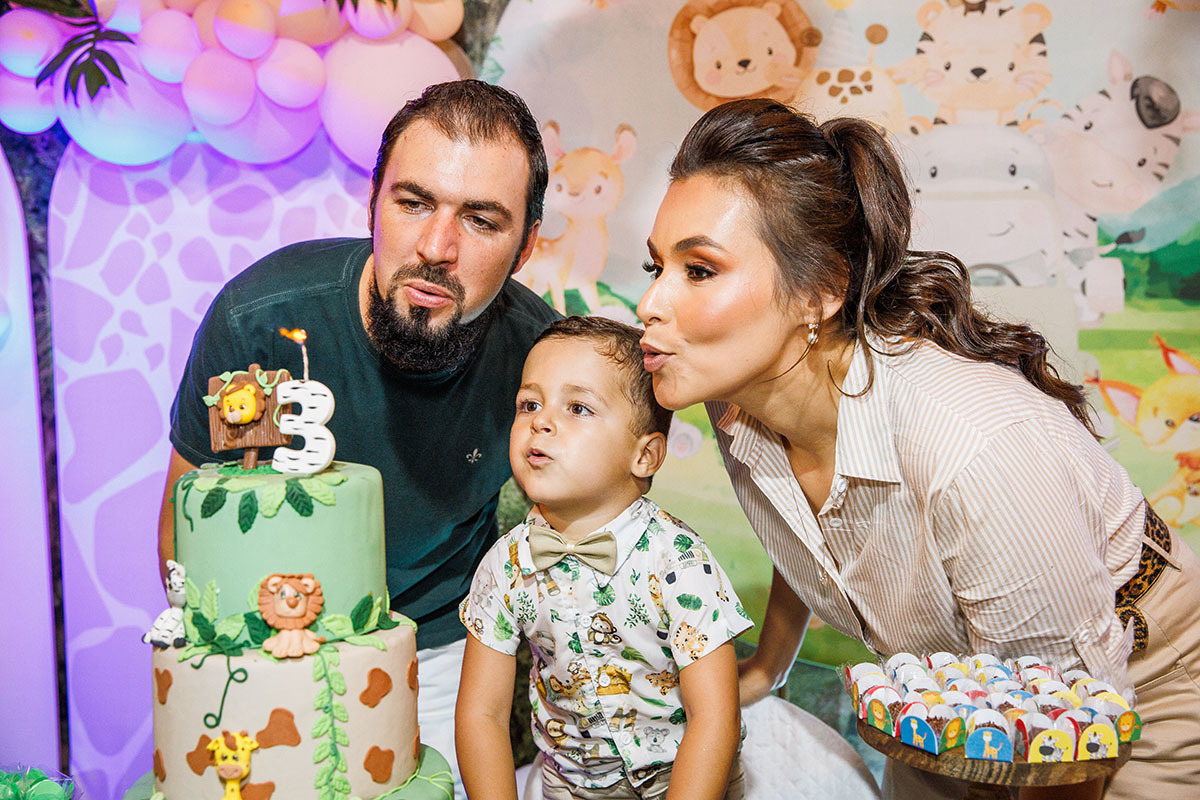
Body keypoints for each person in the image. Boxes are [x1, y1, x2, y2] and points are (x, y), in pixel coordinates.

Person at [636, 98, 1200, 800]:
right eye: (655, 266)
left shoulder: (978, 448)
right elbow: (807, 532)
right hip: (945, 685)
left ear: (820, 291)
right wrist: (769, 666)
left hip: (1126, 698)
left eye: (698, 270)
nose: (650, 304)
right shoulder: (734, 397)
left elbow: (1065, 734)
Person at [158, 80, 561, 794]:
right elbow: (184, 529)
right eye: (413, 203)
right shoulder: (259, 320)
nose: (436, 247)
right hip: (268, 646)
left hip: (441, 652)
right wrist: (245, 658)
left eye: (481, 220)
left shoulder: (541, 360)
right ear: (372, 201)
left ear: (526, 246)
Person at [456, 316, 750, 800]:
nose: (540, 422)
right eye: (529, 404)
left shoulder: (677, 560)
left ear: (645, 456)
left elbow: (714, 717)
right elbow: (480, 714)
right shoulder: (504, 565)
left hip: (686, 775)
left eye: (578, 407)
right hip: (571, 782)